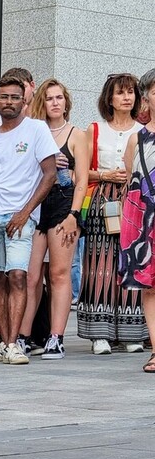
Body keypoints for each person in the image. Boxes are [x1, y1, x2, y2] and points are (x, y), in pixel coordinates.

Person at [0, 75, 57, 365]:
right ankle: (4, 343)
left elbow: (50, 174)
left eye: (15, 97)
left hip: (21, 216)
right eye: (4, 97)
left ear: (24, 100)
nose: (9, 102)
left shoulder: (36, 129)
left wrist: (25, 212)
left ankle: (16, 343)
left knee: (18, 275)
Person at [16, 79, 89, 360]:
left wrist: (74, 213)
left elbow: (81, 180)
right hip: (36, 204)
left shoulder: (76, 134)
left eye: (59, 97)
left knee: (59, 273)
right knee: (30, 275)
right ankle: (23, 335)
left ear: (66, 102)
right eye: (49, 98)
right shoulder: (34, 132)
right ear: (41, 103)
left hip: (63, 203)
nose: (55, 102)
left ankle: (56, 338)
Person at [78, 73, 145, 355]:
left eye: (131, 92)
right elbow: (79, 171)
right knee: (99, 264)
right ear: (109, 98)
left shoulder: (143, 131)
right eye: (120, 93)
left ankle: (132, 331)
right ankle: (99, 333)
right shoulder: (93, 130)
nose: (127, 97)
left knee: (131, 263)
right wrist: (105, 173)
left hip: (133, 199)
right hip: (101, 200)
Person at [120, 68, 155, 372]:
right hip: (145, 219)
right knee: (149, 287)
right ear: (146, 97)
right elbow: (133, 181)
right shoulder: (136, 139)